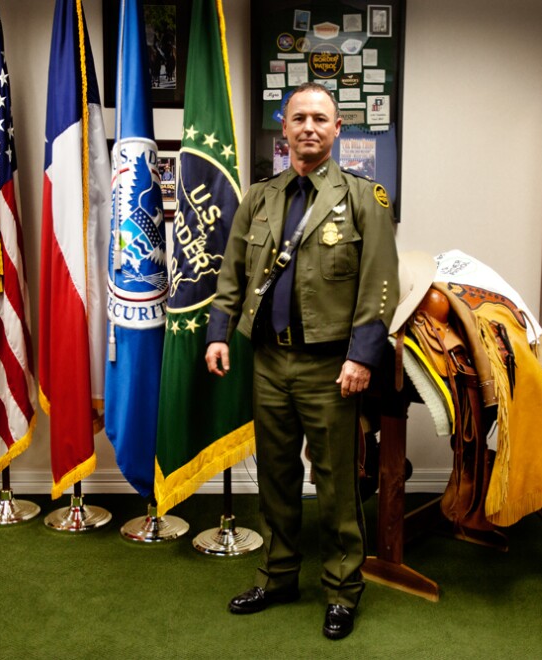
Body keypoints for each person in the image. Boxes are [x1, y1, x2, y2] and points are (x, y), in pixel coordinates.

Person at [205, 81, 400, 640]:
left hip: (330, 366)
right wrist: (220, 333)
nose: (309, 127)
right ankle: (278, 576)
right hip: (269, 360)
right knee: (277, 478)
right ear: (283, 129)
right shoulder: (260, 198)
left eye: (321, 118)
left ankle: (342, 591)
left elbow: (378, 284)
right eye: (299, 118)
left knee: (336, 483)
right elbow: (232, 276)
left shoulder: (366, 198)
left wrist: (362, 357)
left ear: (338, 130)